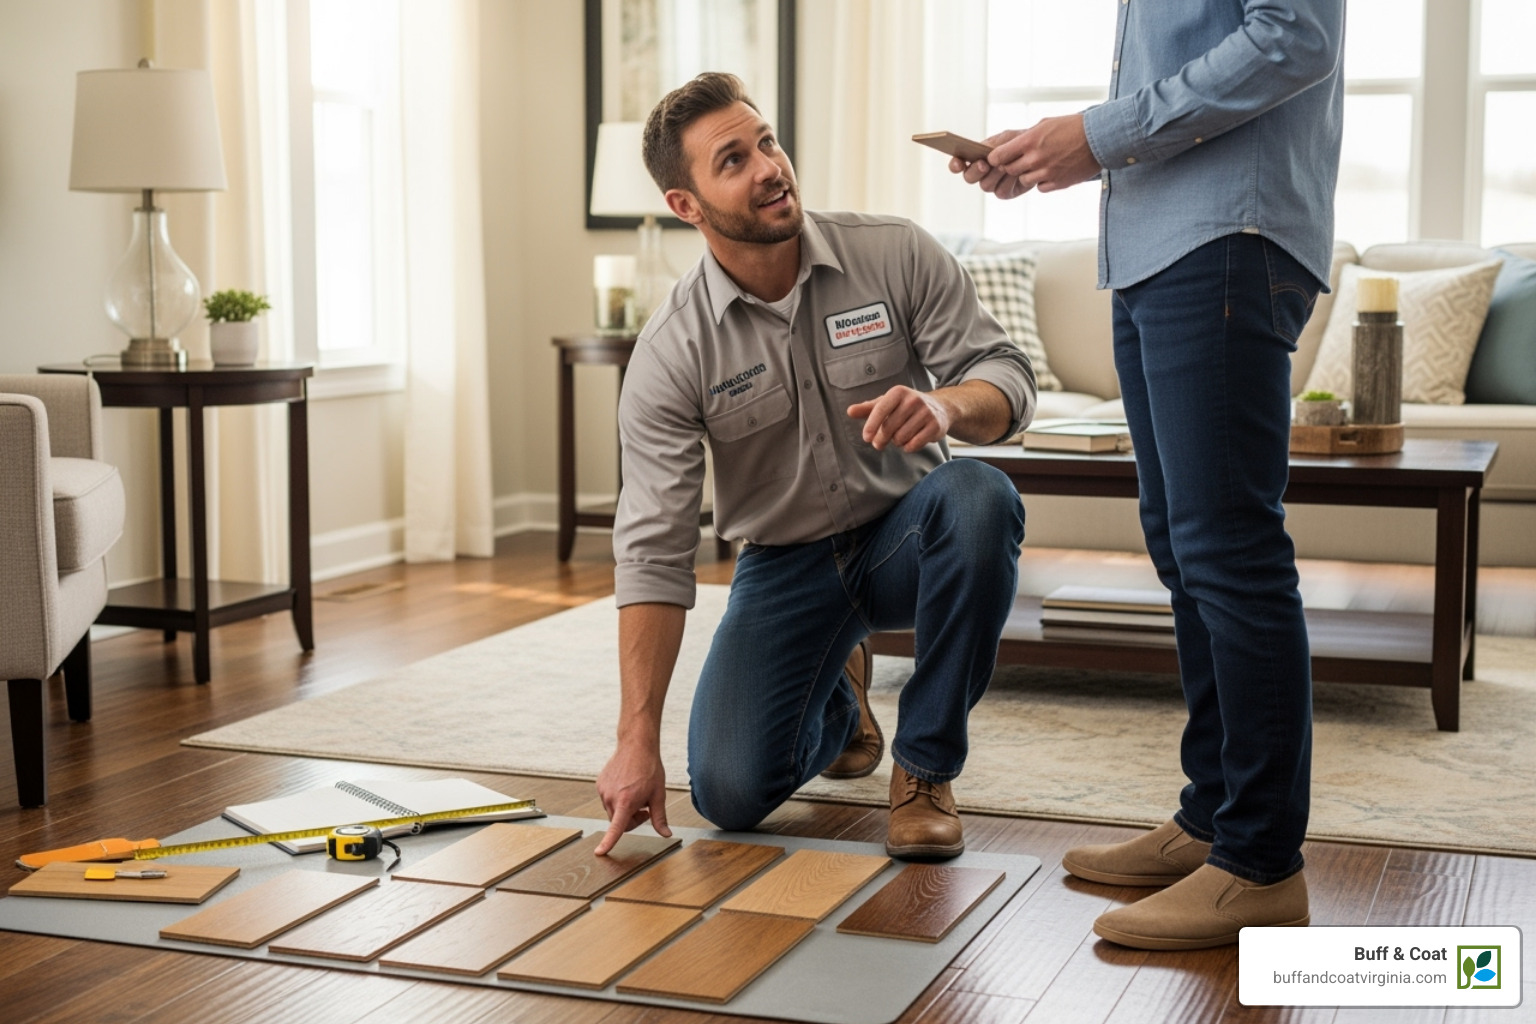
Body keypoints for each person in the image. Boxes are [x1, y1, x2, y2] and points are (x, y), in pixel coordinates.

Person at [950, 1, 1344, 949]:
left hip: (1225, 240)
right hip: (1160, 245)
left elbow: (1295, 36)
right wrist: (1057, 151)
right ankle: (1214, 817)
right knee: (1185, 548)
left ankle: (1258, 863)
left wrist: (1093, 134)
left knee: (1229, 550)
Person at [594, 72, 1036, 862]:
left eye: (767, 141)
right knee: (729, 795)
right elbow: (654, 551)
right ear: (686, 206)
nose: (769, 166)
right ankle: (841, 692)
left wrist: (946, 408)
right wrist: (635, 739)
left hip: (909, 535)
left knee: (980, 497)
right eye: (733, 160)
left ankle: (925, 768)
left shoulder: (893, 252)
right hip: (785, 567)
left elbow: (1006, 374)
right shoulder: (671, 351)